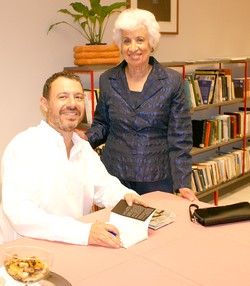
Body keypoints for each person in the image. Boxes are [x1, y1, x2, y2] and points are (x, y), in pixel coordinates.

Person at [0, 71, 148, 248]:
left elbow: (104, 186)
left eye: (78, 97)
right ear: (44, 104)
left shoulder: (83, 148)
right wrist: (83, 232)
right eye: (63, 97)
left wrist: (125, 196)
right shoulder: (23, 147)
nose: (72, 104)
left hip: (74, 244)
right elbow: (21, 214)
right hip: (27, 254)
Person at [83, 8, 197, 201]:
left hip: (157, 176)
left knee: (157, 228)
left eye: (140, 40)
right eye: (126, 41)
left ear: (151, 43)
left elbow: (180, 137)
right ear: (120, 45)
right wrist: (84, 138)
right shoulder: (107, 79)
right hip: (115, 175)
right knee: (118, 228)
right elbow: (102, 124)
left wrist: (183, 181)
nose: (133, 47)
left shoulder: (172, 81)